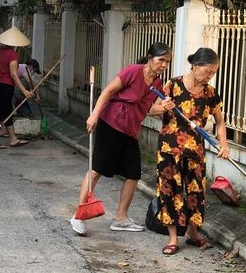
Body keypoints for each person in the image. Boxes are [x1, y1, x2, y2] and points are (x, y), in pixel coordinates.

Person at [70, 42, 175, 235]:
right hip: (111, 124)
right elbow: (108, 91)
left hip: (130, 131)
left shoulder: (157, 84)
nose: (164, 65)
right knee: (96, 170)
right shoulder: (133, 72)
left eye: (167, 62)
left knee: (133, 174)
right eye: (161, 60)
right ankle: (79, 215)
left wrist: (164, 108)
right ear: (150, 58)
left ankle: (120, 218)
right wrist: (94, 115)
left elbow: (148, 109)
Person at [153, 47, 229, 255]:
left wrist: (224, 144)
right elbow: (152, 109)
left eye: (213, 73)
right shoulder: (173, 85)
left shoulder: (210, 93)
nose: (210, 76)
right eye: (207, 72)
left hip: (195, 150)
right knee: (170, 190)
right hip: (169, 148)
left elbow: (220, 122)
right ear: (195, 66)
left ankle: (192, 233)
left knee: (196, 192)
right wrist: (164, 107)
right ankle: (173, 238)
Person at [0, 26, 33, 149]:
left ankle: (13, 139)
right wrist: (24, 90)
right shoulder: (12, 54)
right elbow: (14, 74)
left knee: (8, 111)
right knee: (1, 112)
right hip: (6, 87)